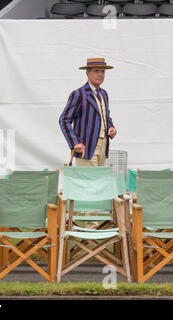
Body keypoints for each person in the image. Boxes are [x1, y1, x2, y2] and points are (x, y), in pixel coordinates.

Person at [59, 57, 117, 227]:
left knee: (96, 185)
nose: (100, 75)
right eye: (96, 71)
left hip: (103, 145)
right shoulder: (78, 94)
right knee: (88, 185)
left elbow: (106, 117)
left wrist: (111, 128)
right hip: (86, 148)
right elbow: (64, 120)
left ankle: (79, 222)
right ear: (88, 73)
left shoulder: (104, 94)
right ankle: (87, 224)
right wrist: (75, 142)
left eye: (102, 71)